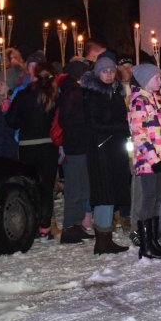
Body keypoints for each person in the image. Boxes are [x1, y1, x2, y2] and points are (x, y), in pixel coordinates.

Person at [128, 63, 161, 260]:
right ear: (145, 80)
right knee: (149, 199)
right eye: (156, 77)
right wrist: (153, 159)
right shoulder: (139, 102)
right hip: (148, 161)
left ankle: (152, 241)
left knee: (157, 199)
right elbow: (138, 134)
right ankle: (145, 245)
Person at [81, 56, 132, 255]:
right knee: (104, 194)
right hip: (101, 150)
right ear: (97, 74)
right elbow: (94, 125)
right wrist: (123, 127)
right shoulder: (93, 95)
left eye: (111, 71)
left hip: (114, 150)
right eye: (104, 71)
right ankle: (102, 239)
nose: (109, 75)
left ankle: (106, 238)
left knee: (111, 193)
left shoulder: (115, 93)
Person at [5, 62, 61, 240]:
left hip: (28, 146)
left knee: (30, 187)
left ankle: (32, 226)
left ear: (34, 76)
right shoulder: (55, 95)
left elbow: (11, 121)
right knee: (46, 188)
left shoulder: (23, 95)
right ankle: (45, 228)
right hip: (48, 146)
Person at [56, 61, 94, 245]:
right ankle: (69, 227)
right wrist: (85, 122)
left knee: (82, 187)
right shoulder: (72, 93)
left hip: (81, 145)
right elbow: (65, 120)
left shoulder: (78, 91)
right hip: (75, 146)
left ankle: (77, 224)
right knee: (75, 188)